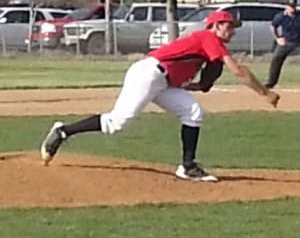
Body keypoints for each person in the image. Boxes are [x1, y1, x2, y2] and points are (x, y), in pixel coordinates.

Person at [40, 10, 280, 182]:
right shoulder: (209, 37)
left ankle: (188, 167)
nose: (232, 31)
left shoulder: (211, 46)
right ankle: (63, 131)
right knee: (117, 123)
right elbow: (238, 71)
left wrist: (193, 86)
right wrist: (265, 93)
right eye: (228, 26)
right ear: (215, 26)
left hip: (163, 81)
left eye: (232, 27)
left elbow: (205, 78)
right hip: (149, 74)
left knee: (193, 111)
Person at [265, 0, 300, 88]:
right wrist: (278, 38)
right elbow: (273, 26)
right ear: (287, 6)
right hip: (287, 42)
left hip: (298, 41)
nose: (293, 8)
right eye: (291, 6)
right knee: (276, 58)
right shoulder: (281, 16)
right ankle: (271, 82)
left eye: (294, 6)